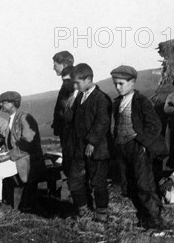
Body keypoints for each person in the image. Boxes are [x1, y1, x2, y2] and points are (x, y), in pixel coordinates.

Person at [111, 65, 167, 230]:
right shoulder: (117, 103)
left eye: (121, 83)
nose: (117, 87)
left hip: (138, 147)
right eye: (115, 84)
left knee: (144, 184)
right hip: (123, 147)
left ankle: (155, 218)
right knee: (129, 185)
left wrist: (143, 144)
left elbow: (155, 126)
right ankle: (142, 216)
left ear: (132, 82)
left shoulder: (141, 101)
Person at [66, 63, 112, 221]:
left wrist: (92, 142)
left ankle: (101, 214)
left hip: (97, 148)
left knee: (98, 182)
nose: (75, 86)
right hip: (79, 147)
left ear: (88, 79)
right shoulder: (79, 97)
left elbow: (102, 121)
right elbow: (71, 120)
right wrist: (68, 107)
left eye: (77, 82)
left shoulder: (101, 98)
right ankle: (83, 210)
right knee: (74, 179)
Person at [51, 51, 77, 175]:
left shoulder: (69, 81)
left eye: (55, 64)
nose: (53, 68)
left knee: (71, 164)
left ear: (64, 64)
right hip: (67, 130)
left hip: (69, 130)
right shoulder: (70, 80)